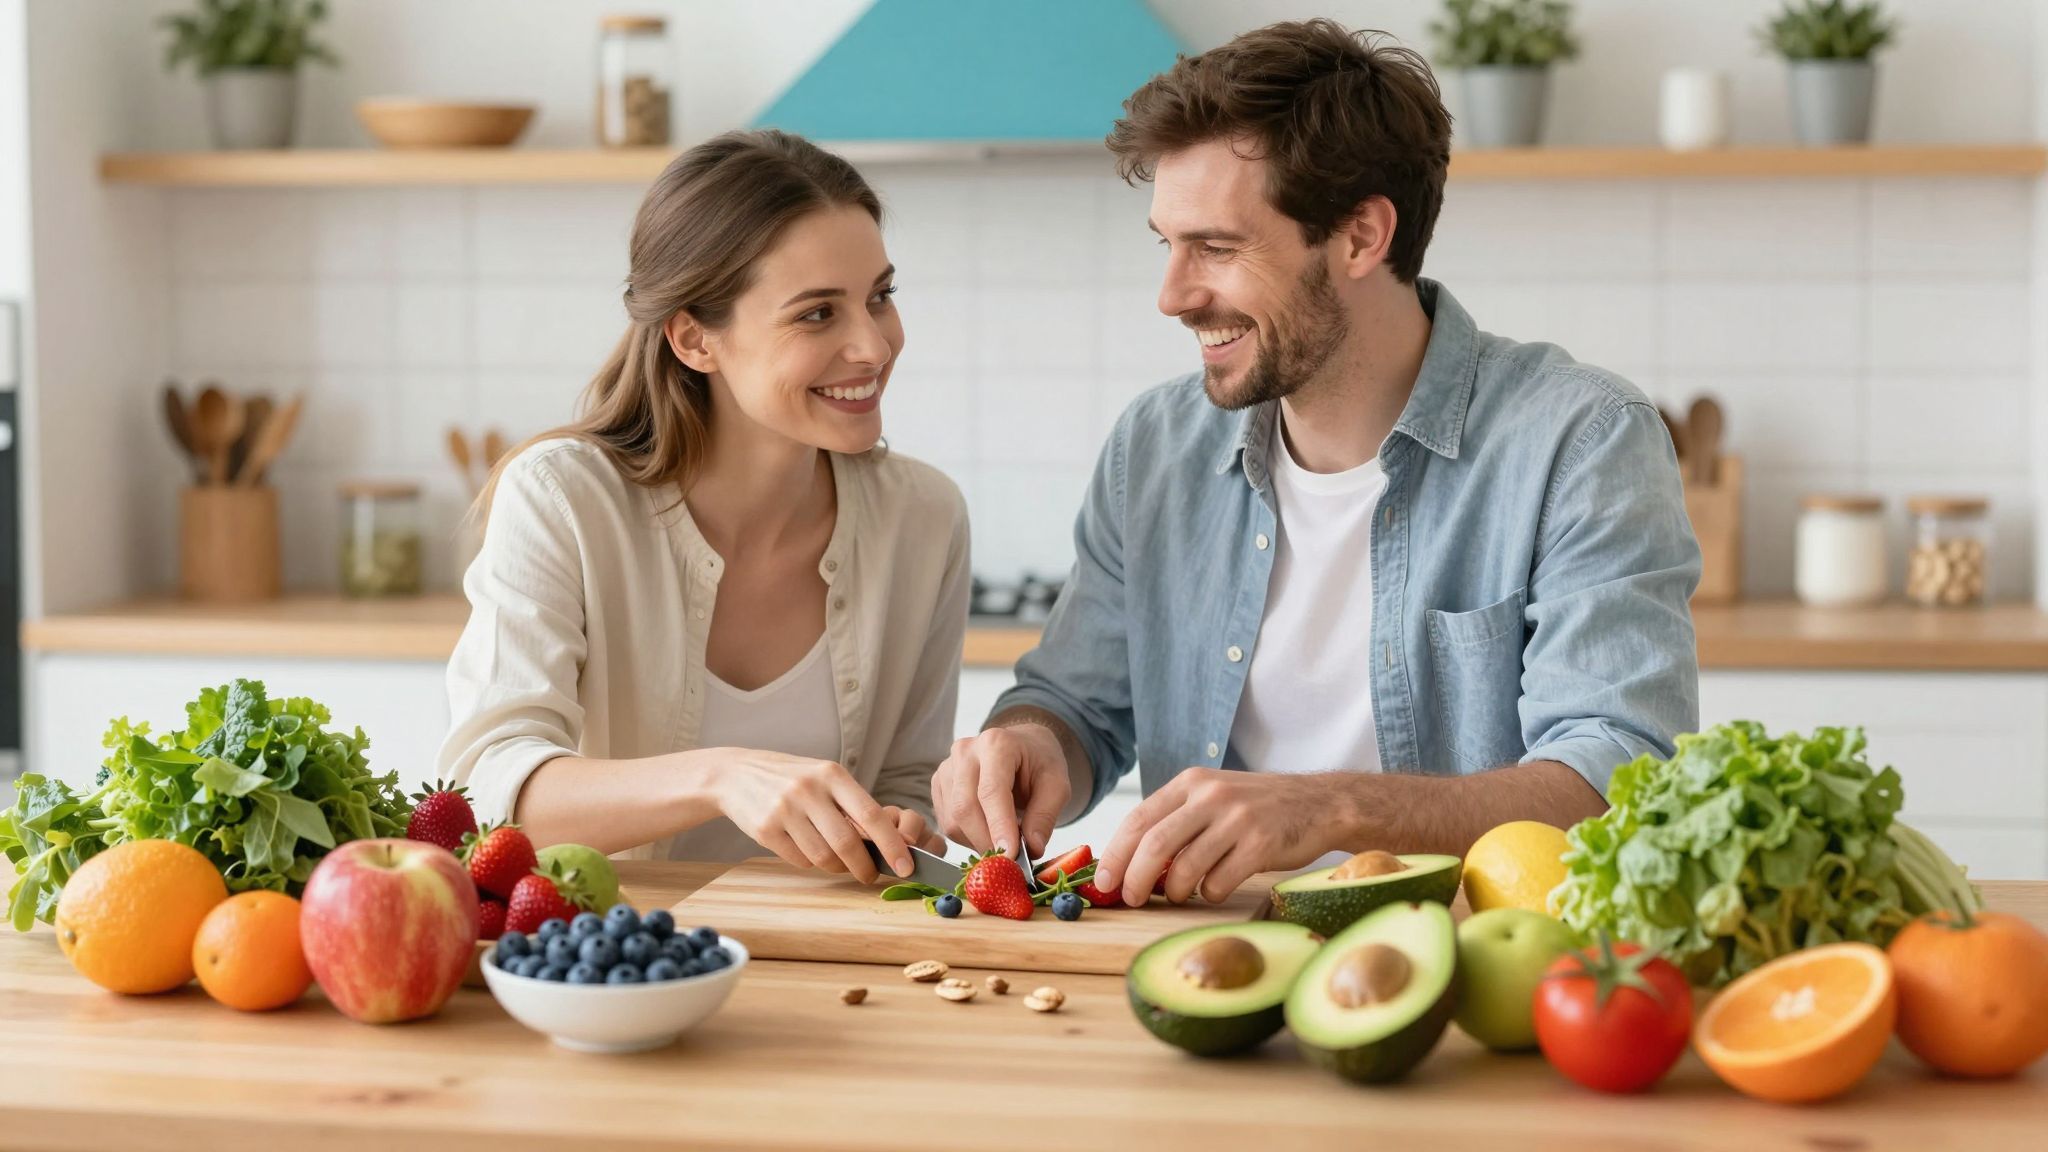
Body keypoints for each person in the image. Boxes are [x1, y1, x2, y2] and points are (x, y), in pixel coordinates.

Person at [930, 19, 1699, 906]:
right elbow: (1077, 706)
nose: (1173, 295)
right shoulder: (1156, 447)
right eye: (1166, 245)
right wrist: (1029, 743)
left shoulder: (1580, 441)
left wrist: (1326, 808)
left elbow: (1619, 785)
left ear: (1362, 237)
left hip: (1468, 969)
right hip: (1203, 964)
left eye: (1216, 248)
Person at [441, 130, 965, 882]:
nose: (874, 347)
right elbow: (488, 789)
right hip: (615, 965)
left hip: (830, 968)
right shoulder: (563, 498)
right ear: (694, 340)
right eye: (818, 314)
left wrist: (902, 822)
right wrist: (723, 776)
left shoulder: (925, 518)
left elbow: (909, 784)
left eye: (878, 297)